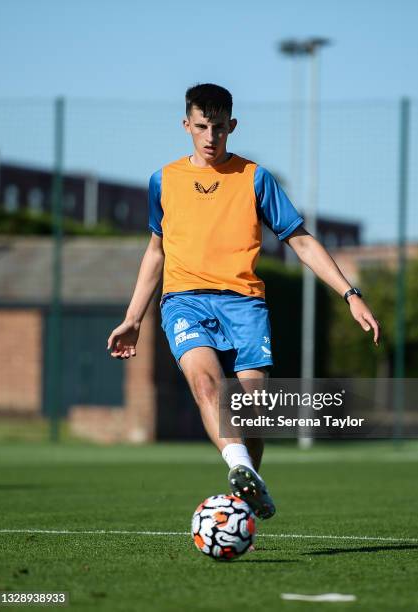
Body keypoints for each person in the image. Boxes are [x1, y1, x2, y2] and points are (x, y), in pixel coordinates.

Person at [107, 83, 380, 520]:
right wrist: (133, 317)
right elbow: (156, 252)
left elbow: (302, 241)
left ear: (232, 126)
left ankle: (248, 488)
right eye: (201, 127)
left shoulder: (256, 178)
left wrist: (350, 294)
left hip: (244, 304)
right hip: (184, 301)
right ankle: (238, 468)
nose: (210, 136)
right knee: (205, 384)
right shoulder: (164, 181)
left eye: (218, 127)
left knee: (250, 411)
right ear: (186, 126)